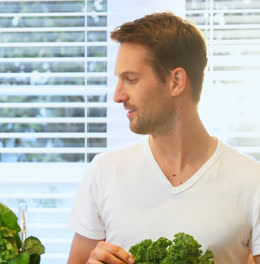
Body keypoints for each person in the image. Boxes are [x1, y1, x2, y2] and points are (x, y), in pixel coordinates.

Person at [68, 12, 260, 264]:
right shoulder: (104, 172)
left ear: (176, 81)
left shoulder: (252, 181)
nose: (117, 95)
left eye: (131, 79)